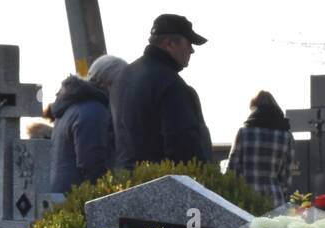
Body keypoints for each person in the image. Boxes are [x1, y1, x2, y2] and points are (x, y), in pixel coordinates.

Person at [111, 14, 212, 170]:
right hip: (160, 183)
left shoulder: (123, 77)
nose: (192, 50)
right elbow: (183, 145)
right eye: (189, 43)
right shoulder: (170, 83)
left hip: (125, 182)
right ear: (169, 43)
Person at [49, 53, 126, 192]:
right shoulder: (94, 110)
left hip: (63, 193)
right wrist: (108, 191)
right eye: (122, 85)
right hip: (78, 197)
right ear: (109, 83)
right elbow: (91, 162)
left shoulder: (71, 106)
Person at [227, 91, 294, 205]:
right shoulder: (287, 136)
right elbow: (286, 176)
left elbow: (232, 169)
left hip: (247, 199)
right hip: (275, 199)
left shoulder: (244, 132)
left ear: (255, 107)